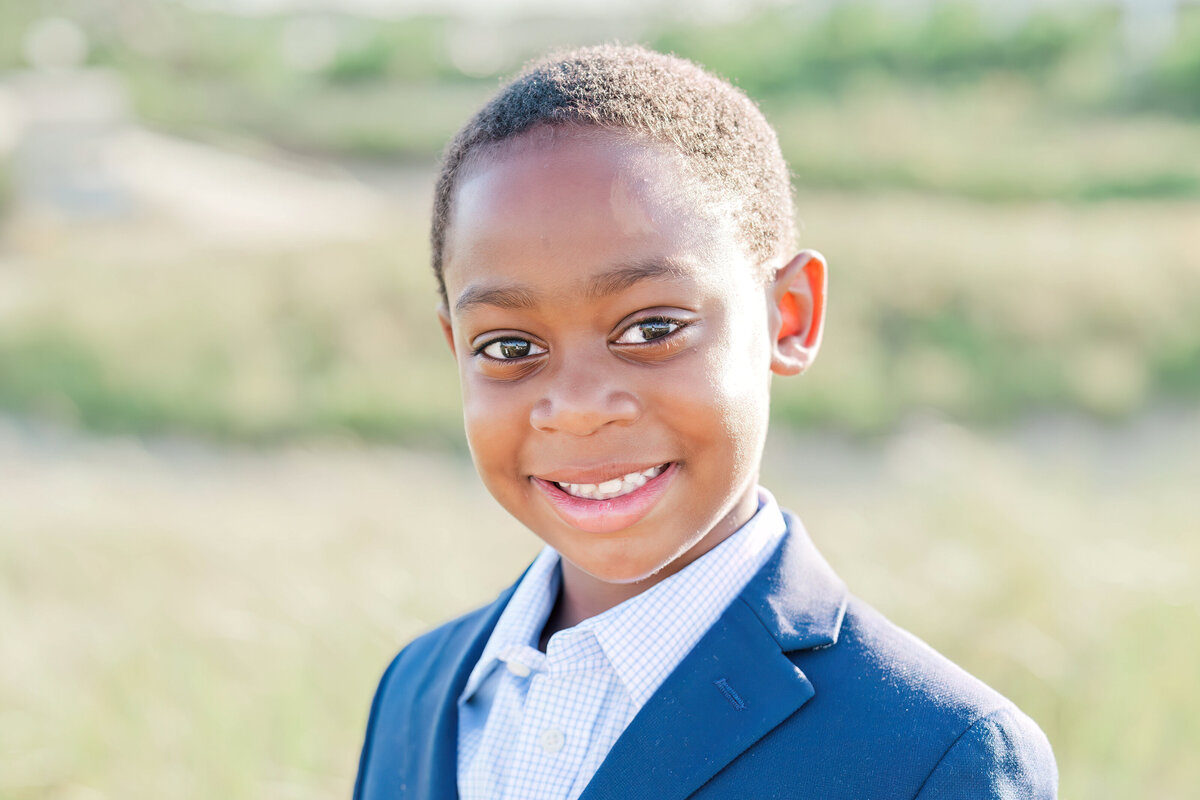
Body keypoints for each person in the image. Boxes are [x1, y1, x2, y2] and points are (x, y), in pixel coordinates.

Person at [354, 44, 1057, 799]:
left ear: (789, 316)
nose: (581, 406)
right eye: (510, 346)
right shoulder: (416, 692)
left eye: (652, 329)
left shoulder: (932, 752)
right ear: (456, 347)